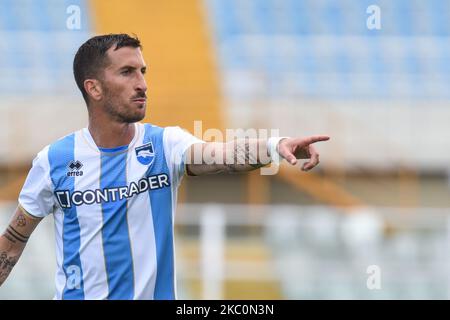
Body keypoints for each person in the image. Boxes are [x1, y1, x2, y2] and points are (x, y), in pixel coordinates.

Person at [0, 34, 330, 299]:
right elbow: (14, 240)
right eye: (127, 72)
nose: (142, 83)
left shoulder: (165, 144)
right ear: (94, 87)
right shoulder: (54, 160)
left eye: (143, 71)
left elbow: (221, 155)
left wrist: (275, 145)